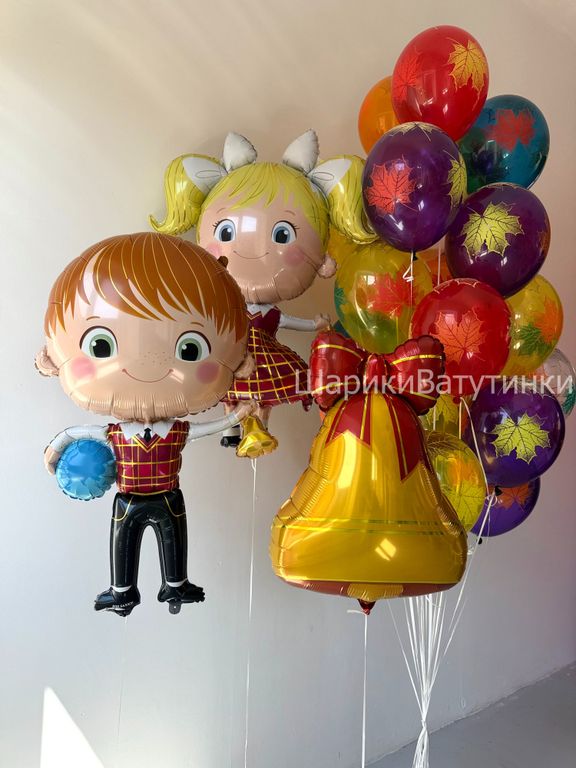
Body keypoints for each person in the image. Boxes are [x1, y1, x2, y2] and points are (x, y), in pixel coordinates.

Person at [37, 232, 254, 616]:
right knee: (123, 542)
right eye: (101, 346)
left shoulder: (177, 432)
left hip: (169, 497)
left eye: (190, 349)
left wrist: (236, 417)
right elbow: (76, 433)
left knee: (175, 540)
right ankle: (122, 590)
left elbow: (208, 428)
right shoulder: (115, 434)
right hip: (129, 499)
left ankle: (175, 585)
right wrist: (55, 450)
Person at [150, 130, 377, 457]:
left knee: (264, 396)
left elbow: (287, 321)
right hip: (231, 358)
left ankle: (260, 429)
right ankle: (231, 429)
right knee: (228, 392)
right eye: (226, 231)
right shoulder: (227, 310)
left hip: (266, 360)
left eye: (283, 235)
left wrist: (314, 324)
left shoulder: (265, 313)